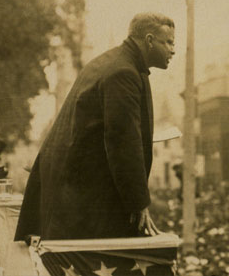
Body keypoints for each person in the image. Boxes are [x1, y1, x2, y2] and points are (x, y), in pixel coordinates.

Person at [15, 13, 175, 241]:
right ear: (149, 40)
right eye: (168, 42)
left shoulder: (115, 62)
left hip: (73, 185)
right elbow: (122, 142)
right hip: (79, 195)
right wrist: (139, 204)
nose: (173, 50)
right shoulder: (123, 73)